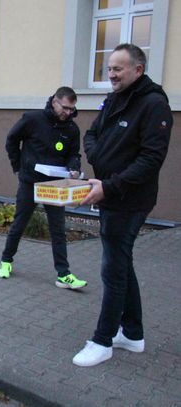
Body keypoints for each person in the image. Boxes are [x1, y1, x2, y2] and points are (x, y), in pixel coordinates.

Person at [73, 44, 172, 367]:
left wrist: (110, 186)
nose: (111, 75)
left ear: (137, 70)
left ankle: (103, 341)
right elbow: (92, 134)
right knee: (121, 263)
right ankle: (132, 334)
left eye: (118, 69)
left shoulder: (154, 104)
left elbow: (151, 159)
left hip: (129, 199)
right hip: (109, 193)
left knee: (112, 268)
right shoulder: (114, 100)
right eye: (109, 69)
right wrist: (97, 156)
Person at [0, 86, 87, 290]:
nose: (68, 113)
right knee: (20, 223)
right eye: (65, 108)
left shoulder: (72, 128)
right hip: (30, 182)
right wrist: (18, 166)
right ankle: (6, 261)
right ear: (54, 101)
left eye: (72, 109)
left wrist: (74, 167)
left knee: (58, 229)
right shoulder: (32, 119)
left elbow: (74, 154)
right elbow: (12, 140)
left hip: (54, 185)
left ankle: (63, 274)